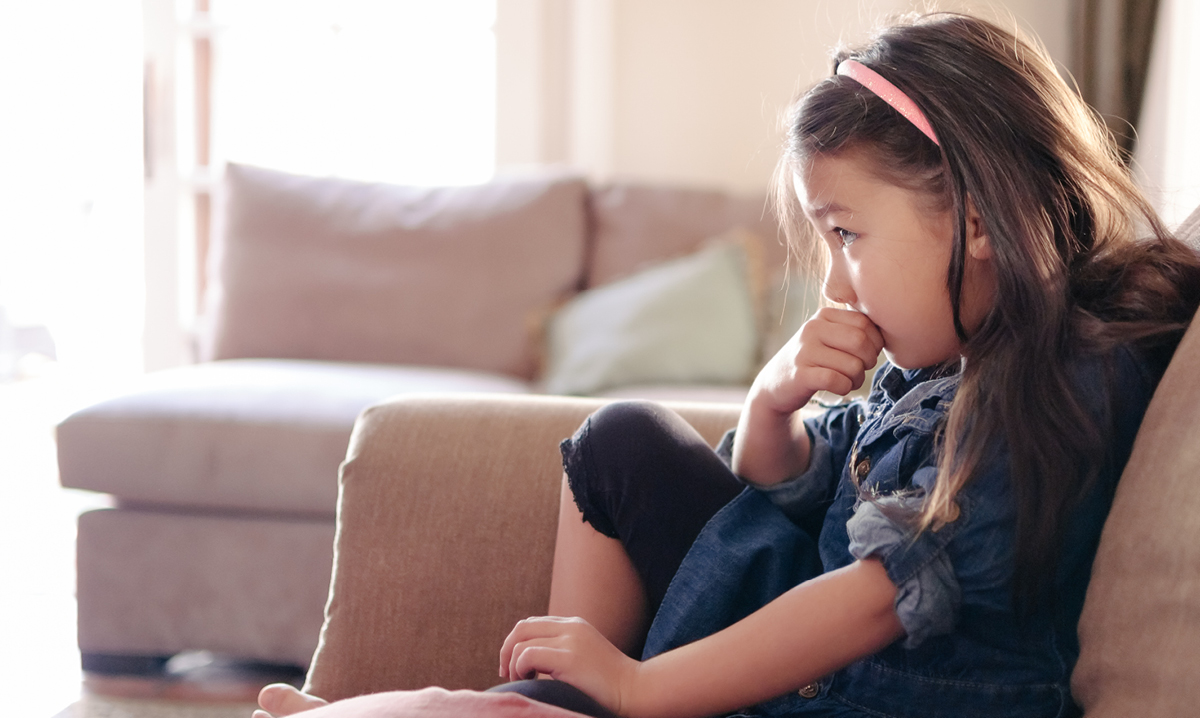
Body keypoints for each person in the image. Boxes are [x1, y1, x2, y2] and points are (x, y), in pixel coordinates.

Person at [256, 11, 1200, 718]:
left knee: (506, 711)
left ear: (980, 219)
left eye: (848, 234)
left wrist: (644, 684)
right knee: (617, 439)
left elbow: (876, 601)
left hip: (867, 693)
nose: (834, 277)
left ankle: (543, 708)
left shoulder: (1062, 381)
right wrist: (772, 406)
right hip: (800, 644)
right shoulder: (938, 367)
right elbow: (792, 490)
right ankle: (560, 702)